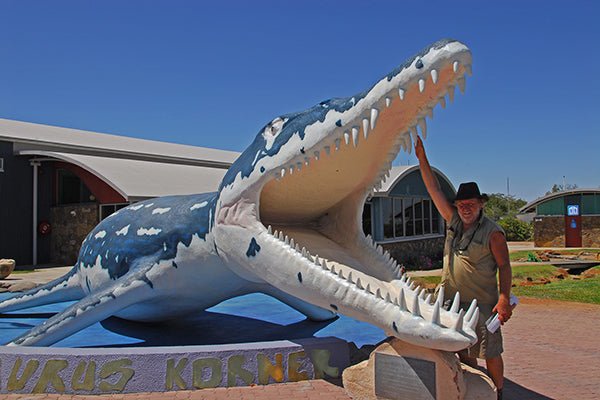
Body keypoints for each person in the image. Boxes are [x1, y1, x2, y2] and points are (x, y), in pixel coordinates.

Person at [414, 135, 513, 399]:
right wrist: (422, 158)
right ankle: (472, 391)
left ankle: (498, 393)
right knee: (462, 350)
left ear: (481, 204)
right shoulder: (454, 221)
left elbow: (504, 266)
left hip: (482, 304)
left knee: (490, 352)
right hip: (452, 302)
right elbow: (434, 189)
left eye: (470, 204)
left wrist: (504, 299)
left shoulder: (493, 234)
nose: (465, 209)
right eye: (461, 205)